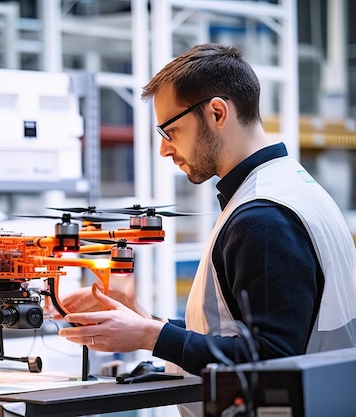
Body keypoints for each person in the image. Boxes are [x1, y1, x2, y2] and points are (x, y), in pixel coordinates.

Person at [54, 43, 356, 415]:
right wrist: (147, 321)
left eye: (171, 131)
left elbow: (273, 357)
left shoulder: (262, 216)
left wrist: (152, 337)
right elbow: (250, 332)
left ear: (216, 112)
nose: (165, 150)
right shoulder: (290, 185)